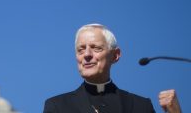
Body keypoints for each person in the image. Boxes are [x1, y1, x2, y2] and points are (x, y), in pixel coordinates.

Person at [43, 23, 182, 113]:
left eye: (96, 48)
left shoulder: (140, 106)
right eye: (80, 50)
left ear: (115, 55)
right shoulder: (57, 106)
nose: (86, 55)